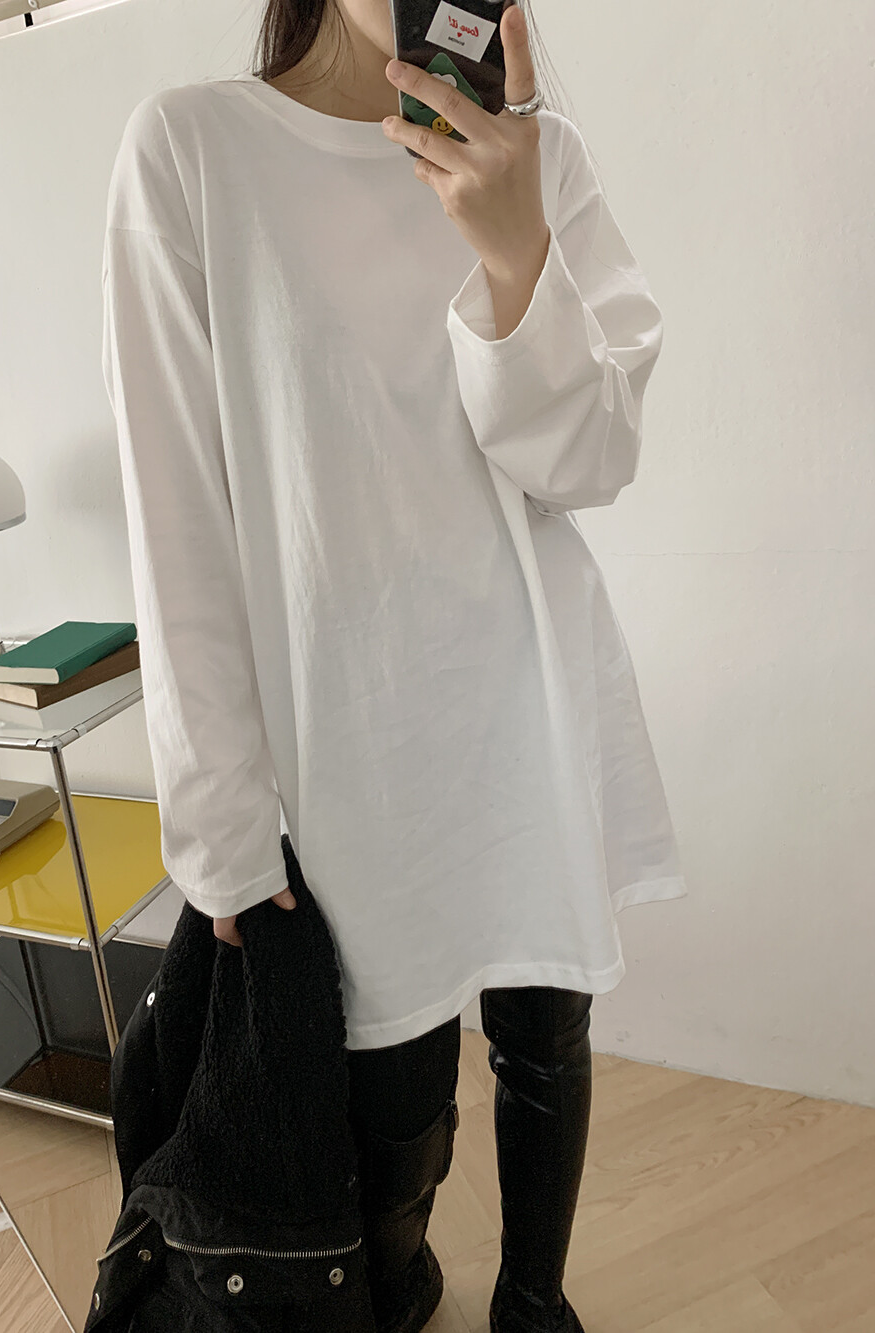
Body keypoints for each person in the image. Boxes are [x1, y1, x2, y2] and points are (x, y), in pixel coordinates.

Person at [101, 2, 689, 1329]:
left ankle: (534, 1306)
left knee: (547, 1034)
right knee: (388, 1098)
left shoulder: (534, 154)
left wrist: (513, 253)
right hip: (348, 736)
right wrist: (221, 825)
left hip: (530, 696)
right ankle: (393, 1293)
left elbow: (589, 461)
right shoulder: (192, 150)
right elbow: (177, 518)